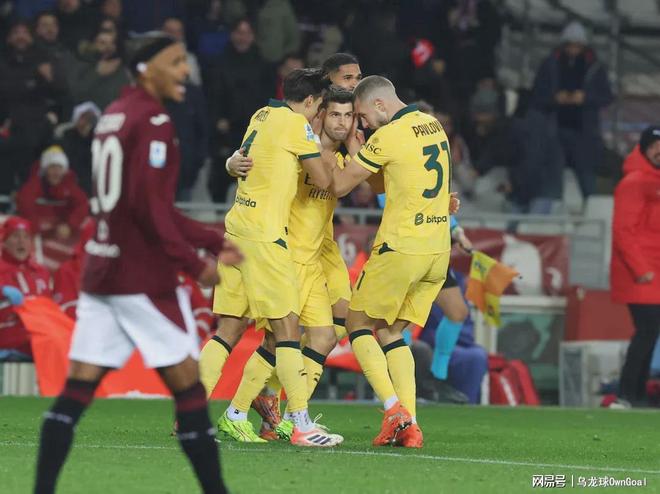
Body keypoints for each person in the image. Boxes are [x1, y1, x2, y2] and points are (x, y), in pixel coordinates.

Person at [33, 33, 234, 494]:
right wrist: (193, 262)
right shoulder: (155, 119)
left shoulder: (113, 114)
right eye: (175, 61)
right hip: (141, 277)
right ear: (146, 68)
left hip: (102, 272)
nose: (184, 71)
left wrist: (208, 238)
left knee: (76, 392)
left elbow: (137, 202)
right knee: (189, 389)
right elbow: (149, 207)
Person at [199, 53, 362, 440]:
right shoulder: (298, 127)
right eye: (327, 109)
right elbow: (327, 182)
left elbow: (247, 156)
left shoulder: (262, 115)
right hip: (270, 239)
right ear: (314, 102)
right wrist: (353, 157)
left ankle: (199, 416)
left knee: (232, 328)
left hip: (239, 230)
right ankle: (294, 422)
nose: (331, 116)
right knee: (285, 331)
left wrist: (231, 163)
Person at [327, 75, 458, 448]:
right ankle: (411, 426)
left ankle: (393, 410)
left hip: (401, 248)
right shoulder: (433, 125)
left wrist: (343, 148)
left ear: (380, 105)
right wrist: (362, 151)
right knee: (390, 332)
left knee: (356, 324)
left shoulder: (387, 136)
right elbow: (385, 182)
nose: (363, 124)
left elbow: (339, 186)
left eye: (363, 116)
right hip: (437, 252)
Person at [530, 20, 613, 202]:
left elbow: (607, 97)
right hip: (554, 131)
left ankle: (591, 207)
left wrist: (585, 98)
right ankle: (551, 208)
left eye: (577, 46)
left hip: (584, 133)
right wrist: (554, 99)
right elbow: (536, 96)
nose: (573, 50)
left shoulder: (595, 67)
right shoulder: (550, 64)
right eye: (570, 45)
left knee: (587, 177)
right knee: (553, 176)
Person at [610, 125, 660, 408]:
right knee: (648, 329)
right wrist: (641, 270)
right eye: (654, 145)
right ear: (644, 148)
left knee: (650, 332)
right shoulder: (635, 182)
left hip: (652, 271)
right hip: (640, 274)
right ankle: (627, 393)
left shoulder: (652, 181)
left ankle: (636, 395)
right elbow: (623, 231)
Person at [206, 18, 272, 202]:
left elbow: (268, 98)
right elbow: (212, 95)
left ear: (253, 36)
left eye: (247, 33)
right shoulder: (218, 63)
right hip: (225, 132)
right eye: (239, 33)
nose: (243, 38)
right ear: (232, 35)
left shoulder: (263, 65)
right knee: (220, 180)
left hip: (255, 133)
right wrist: (217, 119)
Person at [0, 217, 51, 360]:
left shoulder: (41, 272)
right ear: (4, 242)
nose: (21, 242)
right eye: (16, 236)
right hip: (8, 344)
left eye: (26, 237)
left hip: (38, 343)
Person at [16, 145, 89, 241]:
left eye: (59, 168)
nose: (56, 172)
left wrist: (70, 225)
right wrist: (34, 228)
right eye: (52, 167)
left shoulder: (69, 185)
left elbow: (82, 204)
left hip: (62, 232)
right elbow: (25, 203)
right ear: (45, 169)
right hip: (38, 232)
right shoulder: (35, 184)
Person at [69, 27, 130, 110]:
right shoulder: (81, 66)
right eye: (102, 43)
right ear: (92, 44)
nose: (108, 47)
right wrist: (96, 74)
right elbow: (76, 95)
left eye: (112, 43)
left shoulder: (121, 68)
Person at [57, 101, 101, 195]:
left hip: (92, 183)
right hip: (70, 183)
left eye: (90, 118)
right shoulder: (66, 136)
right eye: (83, 117)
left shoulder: (97, 138)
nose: (86, 121)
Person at [162, 17, 202, 86]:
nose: (175, 35)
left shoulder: (190, 58)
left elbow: (196, 84)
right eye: (171, 32)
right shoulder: (151, 56)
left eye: (179, 31)